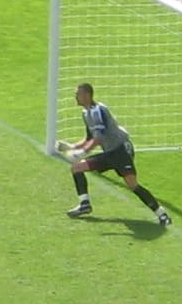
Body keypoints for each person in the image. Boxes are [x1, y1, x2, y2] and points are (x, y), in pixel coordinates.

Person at [61, 83, 170, 225]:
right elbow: (90, 138)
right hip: (109, 153)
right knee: (76, 168)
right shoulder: (86, 113)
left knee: (132, 185)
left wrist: (81, 152)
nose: (75, 97)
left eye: (78, 94)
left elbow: (98, 139)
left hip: (121, 151)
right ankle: (84, 205)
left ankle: (162, 214)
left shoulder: (97, 111)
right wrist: (71, 146)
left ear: (86, 95)